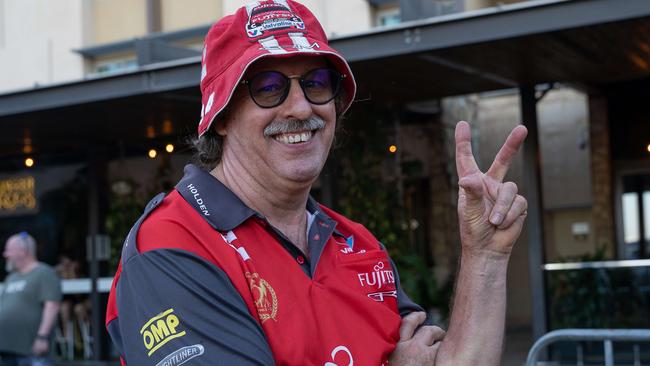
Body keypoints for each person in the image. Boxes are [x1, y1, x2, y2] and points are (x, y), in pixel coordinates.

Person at [106, 1, 528, 365]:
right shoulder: (171, 245)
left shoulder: (357, 244)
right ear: (220, 118)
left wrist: (484, 257)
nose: (300, 106)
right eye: (268, 87)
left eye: (317, 83)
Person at [0, 232, 62, 366]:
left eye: (9, 250)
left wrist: (42, 337)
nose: (5, 254)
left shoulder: (44, 273)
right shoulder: (11, 277)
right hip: (6, 349)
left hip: (31, 352)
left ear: (22, 252)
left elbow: (52, 306)